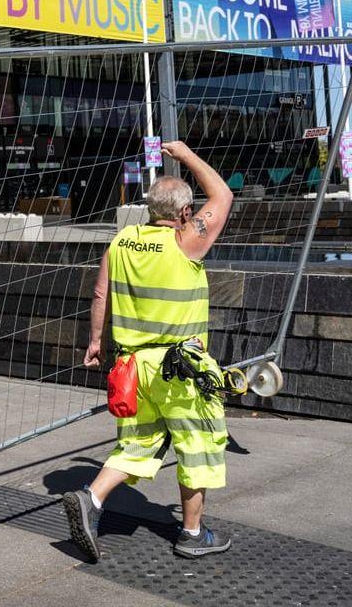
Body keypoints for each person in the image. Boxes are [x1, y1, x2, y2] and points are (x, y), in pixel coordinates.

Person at [62, 139, 235, 562]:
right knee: (197, 446)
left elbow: (100, 292)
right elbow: (224, 195)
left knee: (139, 443)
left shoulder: (122, 242)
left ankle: (92, 498)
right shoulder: (186, 241)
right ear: (183, 215)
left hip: (134, 366)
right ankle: (193, 534)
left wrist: (96, 340)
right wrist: (188, 155)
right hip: (182, 369)